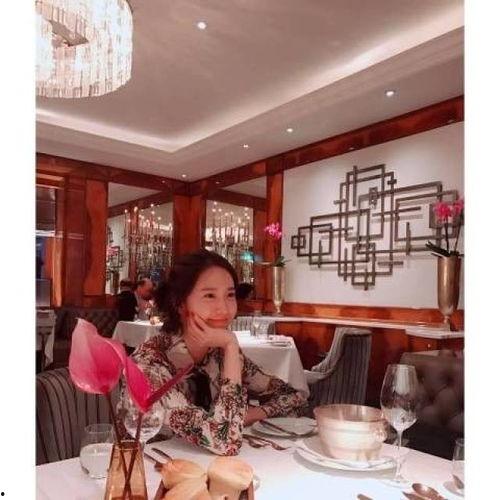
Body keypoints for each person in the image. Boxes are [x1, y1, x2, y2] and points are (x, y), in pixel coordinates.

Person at [129, 249, 308, 456]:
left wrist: (250, 414)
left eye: (230, 295)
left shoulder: (220, 354)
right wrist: (231, 344)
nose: (223, 308)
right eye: (209, 296)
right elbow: (225, 442)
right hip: (150, 467)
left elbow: (296, 398)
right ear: (180, 304)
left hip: (213, 467)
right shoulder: (149, 364)